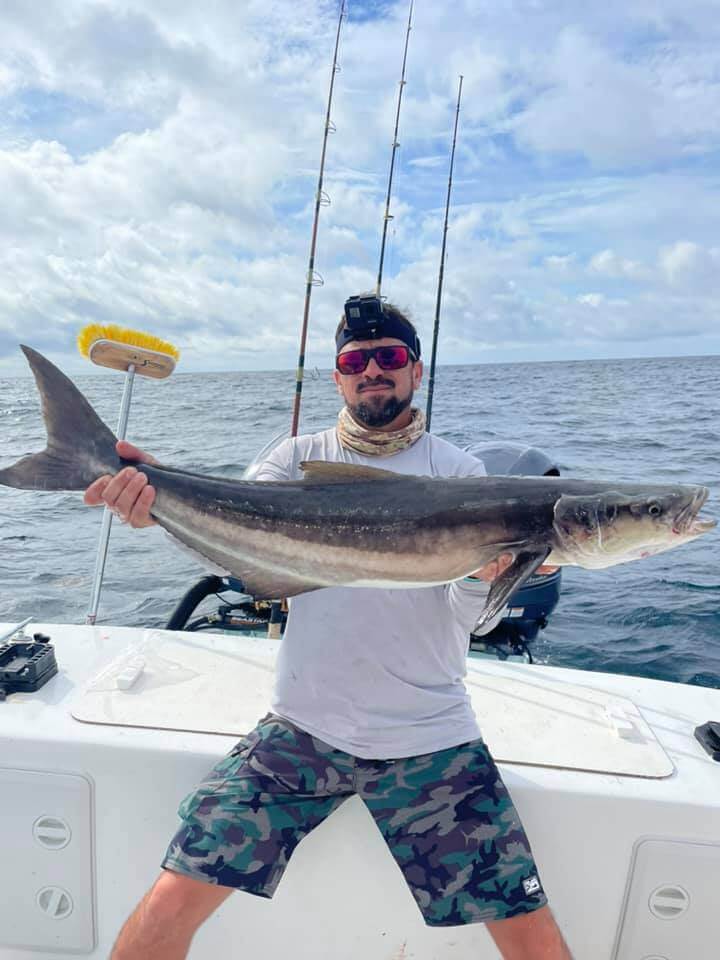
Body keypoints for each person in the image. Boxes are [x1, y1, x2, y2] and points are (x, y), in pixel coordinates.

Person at [84, 296, 573, 960]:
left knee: (531, 935)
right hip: (303, 731)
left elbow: (472, 618)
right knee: (172, 899)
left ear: (416, 371)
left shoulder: (460, 475)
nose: (374, 370)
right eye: (356, 360)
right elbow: (243, 563)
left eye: (390, 357)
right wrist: (155, 501)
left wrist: (481, 577)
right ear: (338, 377)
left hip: (430, 739)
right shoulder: (293, 461)